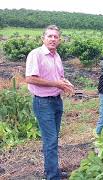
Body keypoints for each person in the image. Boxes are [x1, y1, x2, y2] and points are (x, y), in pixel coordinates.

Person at [25, 25, 74, 179]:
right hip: (43, 102)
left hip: (56, 101)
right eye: (50, 36)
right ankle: (53, 176)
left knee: (52, 140)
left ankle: (52, 171)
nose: (53, 39)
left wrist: (65, 83)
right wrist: (56, 84)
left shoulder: (56, 56)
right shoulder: (36, 54)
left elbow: (59, 77)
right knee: (51, 141)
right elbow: (30, 78)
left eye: (56, 37)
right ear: (43, 38)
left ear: (59, 40)